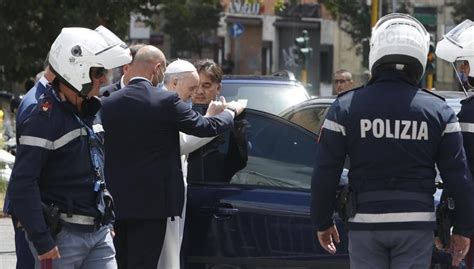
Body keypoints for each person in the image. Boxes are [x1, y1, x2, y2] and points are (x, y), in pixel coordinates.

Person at [311, 13, 474, 269]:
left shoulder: (344, 108)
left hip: (365, 222)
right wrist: (463, 228)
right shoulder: (439, 112)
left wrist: (321, 221)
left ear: (375, 52)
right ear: (420, 54)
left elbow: (324, 172)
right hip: (416, 224)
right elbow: (459, 177)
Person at [101, 45, 245, 269]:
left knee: (119, 263)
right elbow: (205, 126)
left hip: (116, 204)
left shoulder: (108, 103)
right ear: (158, 69)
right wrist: (230, 112)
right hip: (153, 206)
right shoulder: (166, 101)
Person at [6, 26, 132, 268]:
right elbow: (23, 182)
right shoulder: (42, 115)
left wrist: (107, 220)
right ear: (77, 70)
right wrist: (42, 240)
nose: (104, 79)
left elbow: (96, 166)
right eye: (98, 72)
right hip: (61, 238)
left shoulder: (91, 109)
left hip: (98, 233)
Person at [158, 58, 223, 269]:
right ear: (175, 83)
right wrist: (219, 118)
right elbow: (184, 144)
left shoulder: (172, 103)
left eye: (203, 86)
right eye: (192, 87)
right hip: (164, 196)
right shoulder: (164, 105)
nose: (195, 93)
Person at [436, 19, 474, 269]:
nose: (461, 70)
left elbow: (460, 175)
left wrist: (451, 222)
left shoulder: (469, 115)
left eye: (464, 64)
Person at [187, 59, 248, 183]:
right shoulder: (180, 115)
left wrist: (240, 139)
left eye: (206, 85)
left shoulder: (232, 118)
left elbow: (242, 161)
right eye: (195, 86)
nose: (199, 91)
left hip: (220, 191)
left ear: (218, 88)